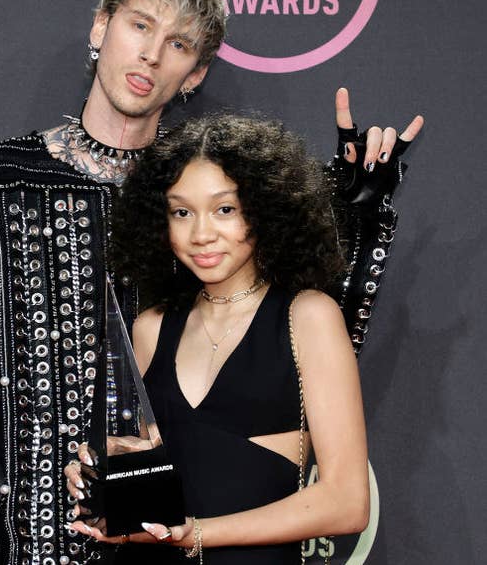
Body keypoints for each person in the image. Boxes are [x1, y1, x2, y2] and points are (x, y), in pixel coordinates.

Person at [0, 0, 421, 565]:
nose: (150, 53)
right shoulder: (2, 180)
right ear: (101, 27)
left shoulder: (206, 196)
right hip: (41, 546)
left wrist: (356, 226)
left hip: (179, 546)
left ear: (196, 74)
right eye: (140, 25)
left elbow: (293, 357)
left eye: (178, 44)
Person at [66, 115, 371, 564]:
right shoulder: (151, 326)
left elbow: (347, 503)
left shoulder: (308, 316)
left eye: (224, 209)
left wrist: (196, 536)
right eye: (181, 212)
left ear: (265, 208)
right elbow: (155, 478)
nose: (201, 233)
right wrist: (101, 473)